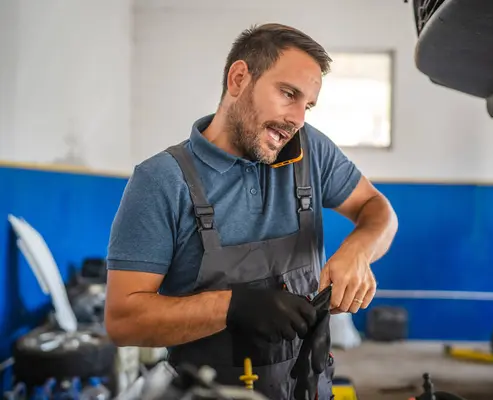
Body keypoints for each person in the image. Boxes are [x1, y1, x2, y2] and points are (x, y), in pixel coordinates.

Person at [104, 22, 398, 399]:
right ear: (239, 78)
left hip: (311, 388)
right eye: (288, 94)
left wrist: (358, 252)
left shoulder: (311, 152)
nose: (297, 119)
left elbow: (379, 211)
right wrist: (232, 306)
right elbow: (122, 321)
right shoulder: (161, 180)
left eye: (306, 105)